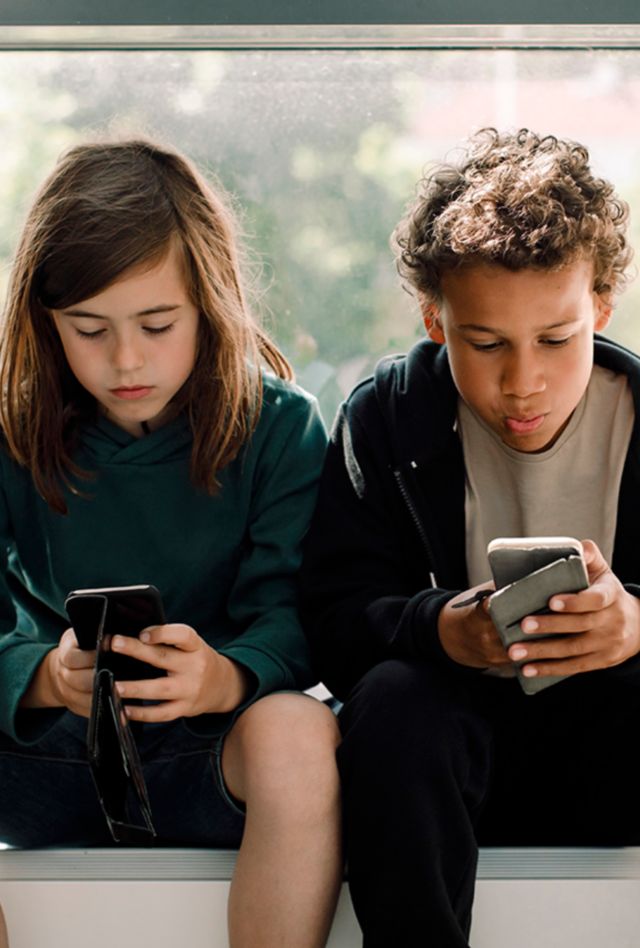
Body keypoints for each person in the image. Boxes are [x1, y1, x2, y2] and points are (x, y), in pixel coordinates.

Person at [301, 127, 640, 946]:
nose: (522, 382)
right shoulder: (384, 415)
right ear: (433, 318)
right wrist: (439, 627)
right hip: (448, 766)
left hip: (617, 759)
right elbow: (331, 621)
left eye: (557, 340)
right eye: (483, 344)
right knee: (390, 701)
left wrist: (633, 622)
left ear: (600, 303)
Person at [0, 139, 341, 948]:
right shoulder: (10, 431)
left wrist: (224, 677)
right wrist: (43, 677)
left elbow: (300, 618)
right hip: (46, 762)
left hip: (207, 761)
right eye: (89, 330)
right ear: (46, 326)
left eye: (158, 324)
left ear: (209, 302)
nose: (126, 360)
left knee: (299, 732)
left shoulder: (281, 428)